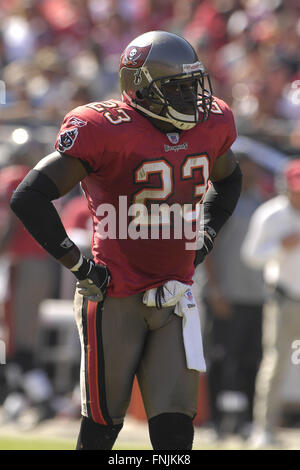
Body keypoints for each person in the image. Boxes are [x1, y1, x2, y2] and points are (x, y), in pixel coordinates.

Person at [10, 31, 242, 450]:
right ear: (141, 89)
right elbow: (29, 195)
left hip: (175, 293)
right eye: (178, 87)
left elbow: (230, 179)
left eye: (194, 84)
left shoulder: (213, 122)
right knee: (101, 430)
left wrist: (207, 234)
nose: (193, 97)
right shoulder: (103, 128)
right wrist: (78, 266)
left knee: (175, 436)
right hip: (114, 293)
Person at [202, 152, 265, 438]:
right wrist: (214, 289)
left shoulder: (263, 203)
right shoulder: (221, 200)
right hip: (225, 292)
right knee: (219, 358)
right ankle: (215, 421)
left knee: (252, 360)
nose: (253, 172)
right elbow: (207, 248)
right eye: (248, 167)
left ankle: (247, 422)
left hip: (257, 295)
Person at [241, 159, 300, 447]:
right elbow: (251, 255)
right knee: (275, 365)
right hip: (283, 299)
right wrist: (280, 246)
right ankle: (263, 429)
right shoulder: (270, 214)